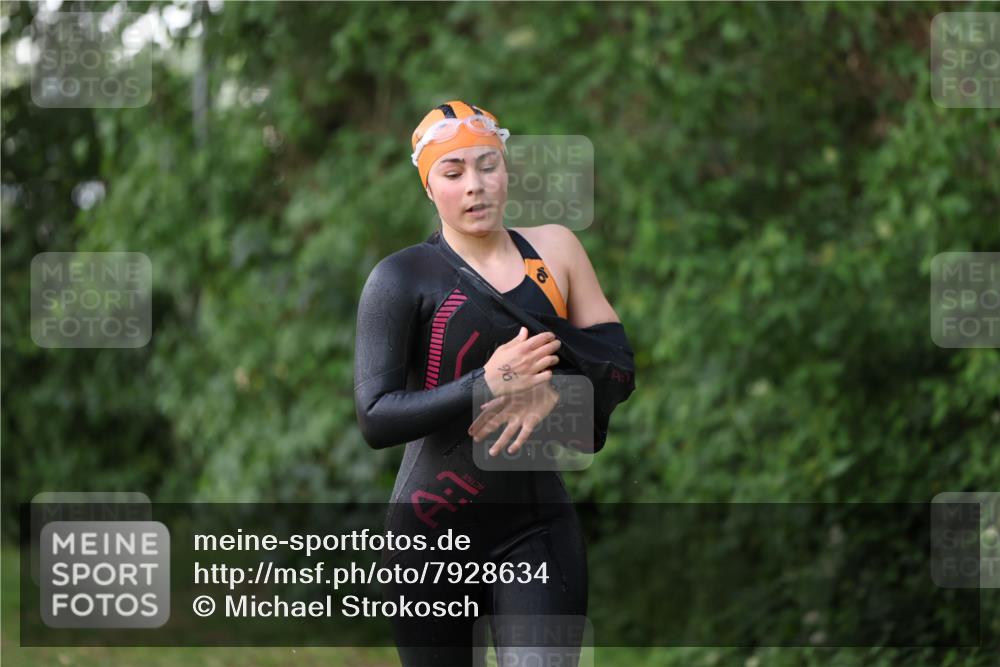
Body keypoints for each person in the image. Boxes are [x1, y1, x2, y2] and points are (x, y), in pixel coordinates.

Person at [353, 100, 631, 666]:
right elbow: (376, 416)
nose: (475, 186)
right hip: (430, 534)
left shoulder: (556, 249)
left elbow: (618, 367)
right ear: (429, 188)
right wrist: (487, 382)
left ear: (507, 170)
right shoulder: (401, 278)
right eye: (453, 174)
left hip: (536, 529)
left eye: (488, 166)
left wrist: (556, 390)